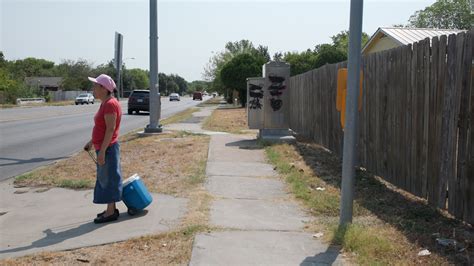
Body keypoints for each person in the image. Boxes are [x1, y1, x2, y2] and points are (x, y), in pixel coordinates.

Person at [83, 74, 123, 224]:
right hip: (104, 147)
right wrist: (92, 142)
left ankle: (111, 212)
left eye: (96, 86)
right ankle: (110, 209)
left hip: (109, 148)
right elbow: (102, 128)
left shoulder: (110, 104)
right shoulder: (105, 103)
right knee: (106, 178)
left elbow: (110, 129)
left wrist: (103, 152)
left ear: (104, 88)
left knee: (109, 179)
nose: (93, 88)